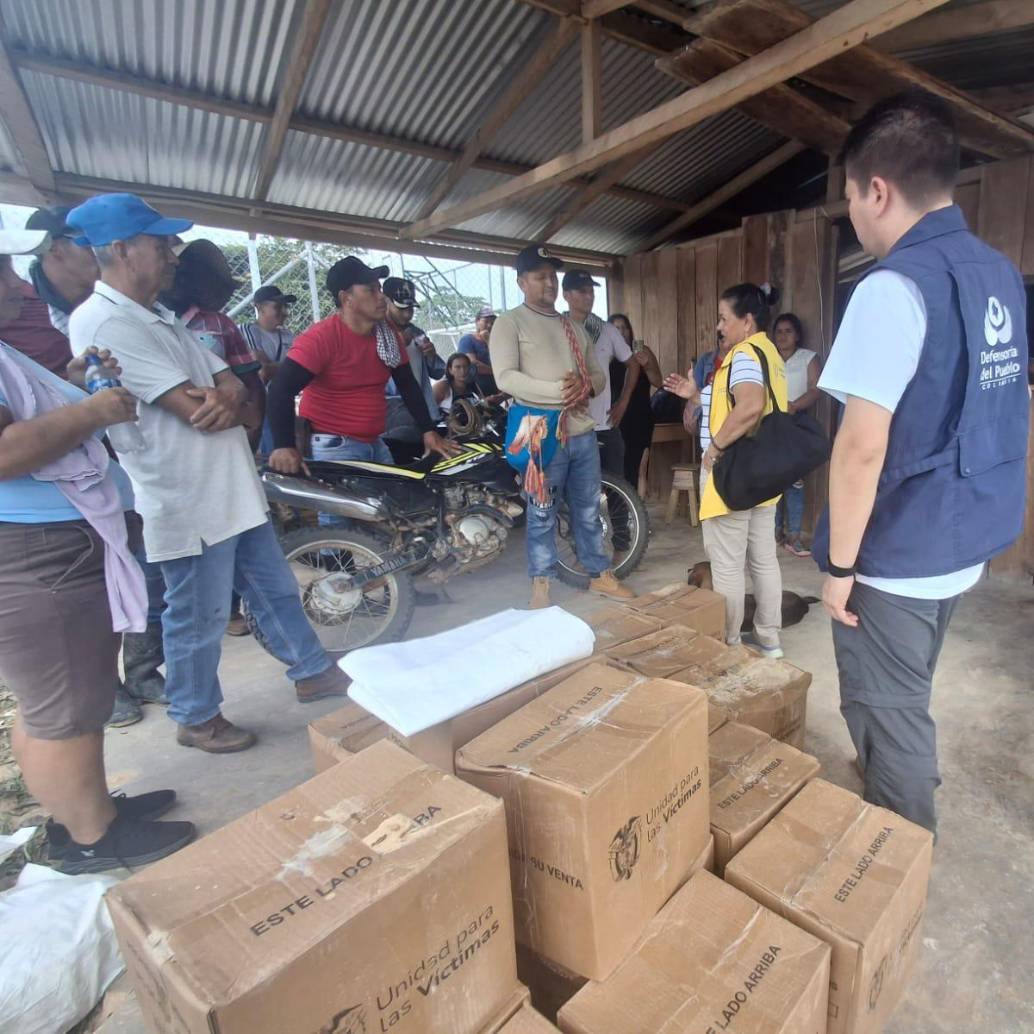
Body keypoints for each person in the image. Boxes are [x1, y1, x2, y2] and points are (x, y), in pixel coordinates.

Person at [813, 91, 1029, 835]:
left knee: (886, 701)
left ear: (879, 190)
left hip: (900, 551)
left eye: (850, 199)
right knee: (909, 681)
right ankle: (903, 762)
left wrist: (840, 566)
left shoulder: (892, 288)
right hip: (965, 533)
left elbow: (861, 446)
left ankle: (899, 857)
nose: (854, 217)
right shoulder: (999, 272)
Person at [68, 193, 351, 755]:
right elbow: (193, 407)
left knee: (275, 589)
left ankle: (312, 669)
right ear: (122, 250)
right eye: (160, 242)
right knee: (198, 613)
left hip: (228, 485)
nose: (174, 253)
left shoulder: (161, 316)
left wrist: (226, 394)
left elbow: (236, 389)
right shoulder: (102, 321)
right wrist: (222, 395)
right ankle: (196, 715)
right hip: (186, 494)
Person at [0, 227, 194, 873]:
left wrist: (76, 385)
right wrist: (90, 414)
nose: (18, 286)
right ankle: (89, 838)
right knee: (64, 707)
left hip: (58, 543)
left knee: (71, 697)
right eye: (4, 272)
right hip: (37, 553)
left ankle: (86, 811)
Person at [492, 244, 634, 609]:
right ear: (522, 281)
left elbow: (599, 376)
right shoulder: (510, 323)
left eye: (552, 277)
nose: (549, 284)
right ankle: (541, 583)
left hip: (582, 430)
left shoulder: (573, 326)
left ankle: (599, 574)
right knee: (541, 510)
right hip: (539, 430)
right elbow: (505, 377)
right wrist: (558, 391)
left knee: (588, 509)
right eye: (540, 277)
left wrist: (584, 386)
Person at [664, 283, 787, 659]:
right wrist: (696, 395)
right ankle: (769, 639)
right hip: (763, 473)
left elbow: (750, 404)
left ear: (746, 321)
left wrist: (714, 448)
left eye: (723, 318)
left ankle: (730, 644)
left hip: (731, 473)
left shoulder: (744, 355)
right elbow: (738, 400)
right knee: (764, 560)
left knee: (728, 566)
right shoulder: (769, 354)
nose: (719, 327)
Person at [266, 257, 458, 483]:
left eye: (379, 289)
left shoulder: (387, 337)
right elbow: (280, 389)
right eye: (371, 290)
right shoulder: (321, 338)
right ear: (346, 298)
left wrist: (429, 431)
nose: (381, 297)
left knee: (395, 509)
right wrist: (283, 446)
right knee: (342, 519)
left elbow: (407, 384)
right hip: (335, 446)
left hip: (374, 442)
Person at [160, 239, 267, 637]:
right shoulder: (152, 323)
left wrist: (251, 432)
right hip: (176, 462)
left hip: (227, 447)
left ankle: (239, 609)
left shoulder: (218, 324)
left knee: (244, 537)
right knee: (191, 563)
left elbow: (247, 383)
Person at [562, 270, 636, 477]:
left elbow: (634, 364)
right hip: (569, 426)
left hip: (604, 424)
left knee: (618, 494)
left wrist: (623, 402)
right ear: (566, 295)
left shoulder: (607, 330)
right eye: (582, 291)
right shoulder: (558, 329)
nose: (588, 296)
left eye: (591, 292)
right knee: (575, 494)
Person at [382, 276, 446, 462]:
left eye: (410, 308)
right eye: (401, 308)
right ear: (386, 301)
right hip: (392, 418)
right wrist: (398, 345)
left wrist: (431, 355)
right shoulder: (378, 333)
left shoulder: (417, 332)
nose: (407, 314)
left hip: (420, 414)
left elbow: (438, 372)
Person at [772, 312, 820, 558]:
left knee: (795, 481)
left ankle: (795, 536)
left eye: (788, 331)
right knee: (773, 479)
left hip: (797, 422)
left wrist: (795, 405)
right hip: (771, 423)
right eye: (779, 331)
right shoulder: (769, 358)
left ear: (797, 334)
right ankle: (774, 532)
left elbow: (815, 389)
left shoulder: (807, 358)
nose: (783, 336)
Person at [239, 284, 296, 457]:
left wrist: (276, 368)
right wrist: (286, 368)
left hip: (280, 401)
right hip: (258, 402)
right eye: (277, 307)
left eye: (285, 307)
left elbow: (297, 368)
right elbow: (261, 369)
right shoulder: (248, 330)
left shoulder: (287, 335)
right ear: (260, 308)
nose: (284, 312)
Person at [25, 206, 100, 336]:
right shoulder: (32, 316)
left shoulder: (113, 287)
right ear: (54, 249)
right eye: (87, 242)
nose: (99, 251)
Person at [607, 313, 661, 486]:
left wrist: (647, 365)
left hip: (640, 416)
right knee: (616, 464)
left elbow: (658, 381)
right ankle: (620, 507)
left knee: (638, 466)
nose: (621, 332)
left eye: (624, 328)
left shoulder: (641, 351)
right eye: (616, 328)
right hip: (615, 416)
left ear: (630, 331)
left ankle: (636, 509)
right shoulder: (605, 354)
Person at [458, 305, 498, 396]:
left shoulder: (495, 342)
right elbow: (473, 364)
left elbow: (500, 360)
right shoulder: (467, 340)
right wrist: (496, 371)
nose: (489, 325)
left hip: (495, 391)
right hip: (475, 391)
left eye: (492, 323)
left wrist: (488, 341)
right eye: (486, 321)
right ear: (477, 321)